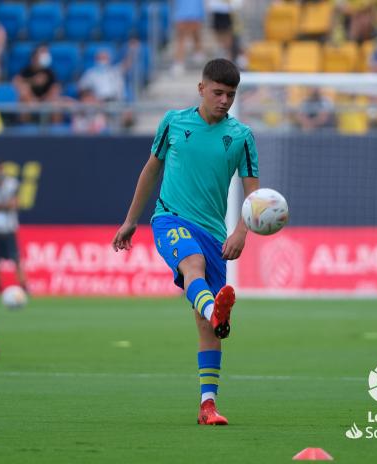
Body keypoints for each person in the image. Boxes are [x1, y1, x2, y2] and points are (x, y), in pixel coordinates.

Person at [112, 59, 260, 425]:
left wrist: (241, 231)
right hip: (170, 218)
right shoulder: (174, 123)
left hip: (214, 233)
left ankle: (207, 405)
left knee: (207, 329)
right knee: (190, 265)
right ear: (201, 88)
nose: (224, 100)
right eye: (218, 93)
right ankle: (215, 311)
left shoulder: (241, 136)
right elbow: (151, 170)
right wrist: (131, 220)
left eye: (230, 94)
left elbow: (254, 193)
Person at [0, 163, 29, 293]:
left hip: (8, 229)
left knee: (16, 258)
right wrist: (3, 205)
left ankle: (23, 285)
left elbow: (14, 203)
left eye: (1, 169)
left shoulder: (11, 184)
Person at [12, 44, 62, 123]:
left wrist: (45, 100)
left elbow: (56, 88)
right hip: (30, 101)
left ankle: (57, 130)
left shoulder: (50, 72)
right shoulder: (27, 71)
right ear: (34, 57)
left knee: (56, 102)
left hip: (46, 101)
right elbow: (16, 81)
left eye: (46, 53)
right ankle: (25, 128)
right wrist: (33, 81)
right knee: (24, 92)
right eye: (42, 53)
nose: (45, 56)